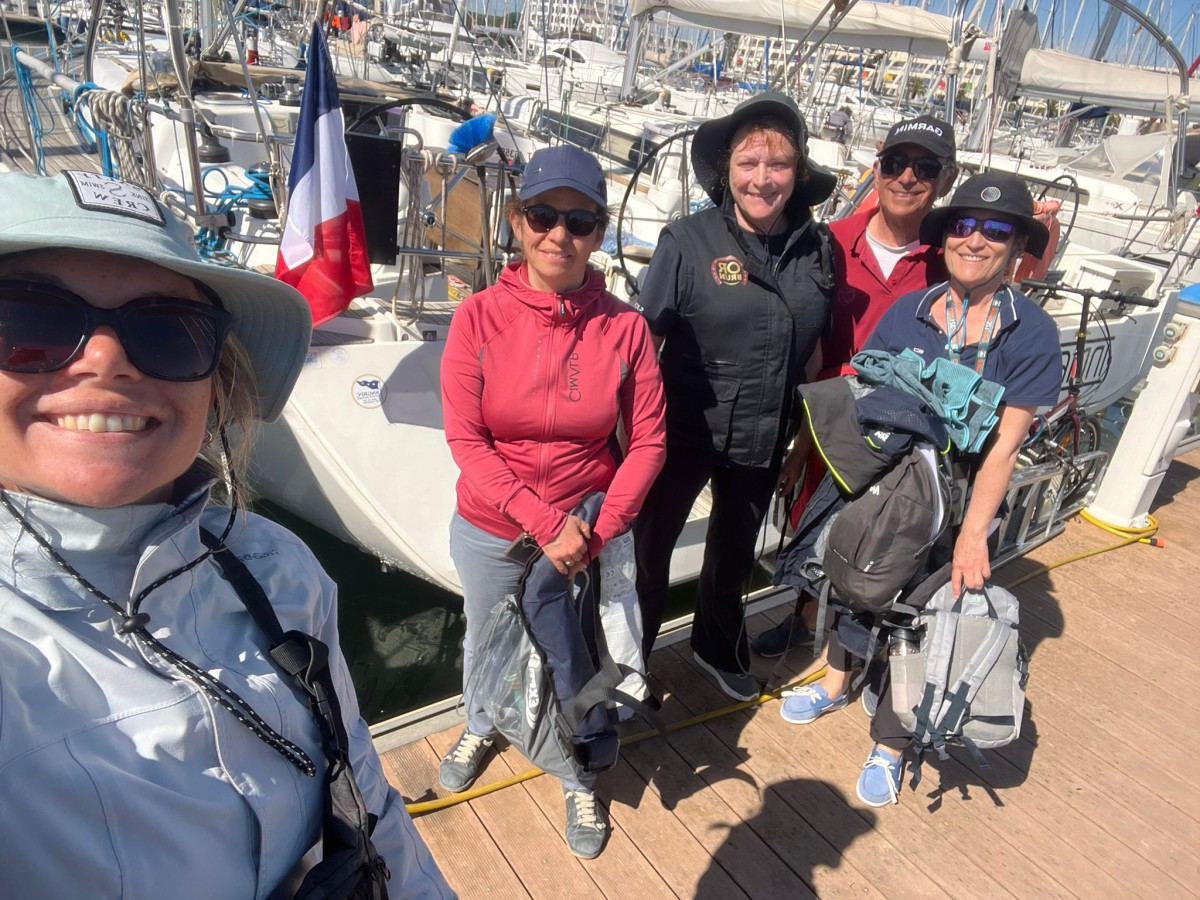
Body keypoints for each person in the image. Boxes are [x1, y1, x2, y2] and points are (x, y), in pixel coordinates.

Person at [0, 170, 452, 898]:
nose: (106, 359)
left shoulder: (276, 569)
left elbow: (364, 795)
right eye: (29, 323)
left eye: (167, 331)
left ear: (217, 385)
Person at [777, 171, 1061, 808]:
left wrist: (972, 537)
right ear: (947, 235)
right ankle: (836, 681)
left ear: (1017, 246)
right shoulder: (911, 309)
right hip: (887, 484)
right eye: (964, 225)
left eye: (996, 230)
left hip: (957, 502)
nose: (975, 240)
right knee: (853, 581)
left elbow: (1004, 449)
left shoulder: (1032, 332)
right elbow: (866, 393)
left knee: (925, 619)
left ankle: (892, 740)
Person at [439, 145, 666, 858]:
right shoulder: (477, 318)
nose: (559, 235)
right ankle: (482, 721)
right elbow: (466, 438)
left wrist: (592, 536)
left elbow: (650, 444)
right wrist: (542, 523)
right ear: (517, 222)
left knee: (577, 654)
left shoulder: (625, 328)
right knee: (484, 637)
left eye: (580, 221)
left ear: (599, 233)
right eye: (543, 215)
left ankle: (577, 772)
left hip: (584, 529)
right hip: (491, 526)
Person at [634, 92, 836, 701]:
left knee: (734, 554)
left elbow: (816, 353)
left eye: (778, 164)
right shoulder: (685, 240)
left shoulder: (819, 248)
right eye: (748, 163)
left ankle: (715, 645)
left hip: (765, 431)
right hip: (682, 428)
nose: (762, 179)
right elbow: (642, 343)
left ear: (797, 172)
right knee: (648, 553)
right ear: (727, 170)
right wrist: (627, 437)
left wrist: (805, 440)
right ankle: (627, 664)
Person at [754, 113, 959, 658]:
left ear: (948, 178)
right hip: (826, 425)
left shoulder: (953, 258)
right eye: (896, 163)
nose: (907, 177)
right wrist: (798, 445)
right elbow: (805, 343)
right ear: (877, 167)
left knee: (884, 536)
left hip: (904, 431)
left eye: (926, 167)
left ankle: (862, 645)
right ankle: (804, 617)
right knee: (812, 525)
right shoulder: (832, 242)